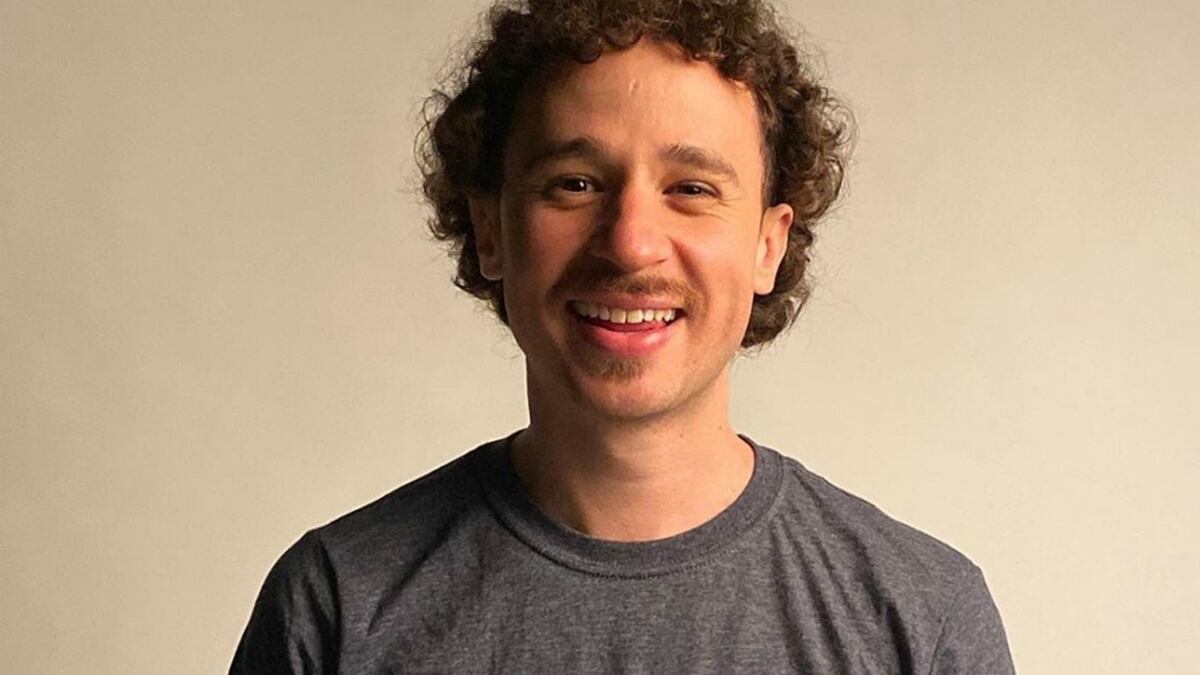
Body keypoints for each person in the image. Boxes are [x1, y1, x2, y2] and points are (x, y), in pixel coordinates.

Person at [231, 0, 1015, 672]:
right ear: (490, 229)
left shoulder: (921, 618)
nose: (632, 243)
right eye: (575, 184)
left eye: (691, 189)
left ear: (767, 245)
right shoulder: (337, 605)